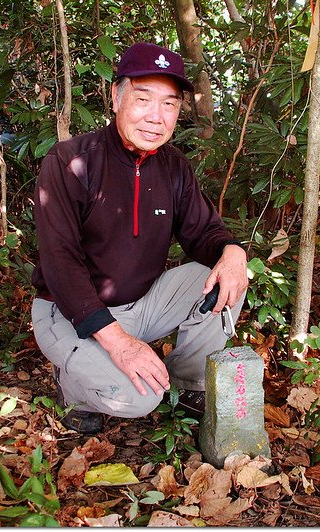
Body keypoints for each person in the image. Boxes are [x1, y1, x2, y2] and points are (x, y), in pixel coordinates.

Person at [30, 42, 248, 434]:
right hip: (67, 312)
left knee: (226, 278)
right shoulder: (71, 161)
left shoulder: (174, 166)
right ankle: (73, 387)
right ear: (115, 97)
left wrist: (233, 253)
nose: (155, 117)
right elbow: (60, 265)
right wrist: (120, 344)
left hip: (142, 305)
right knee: (140, 399)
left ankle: (189, 383)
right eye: (143, 98)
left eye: (169, 104)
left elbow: (203, 232)